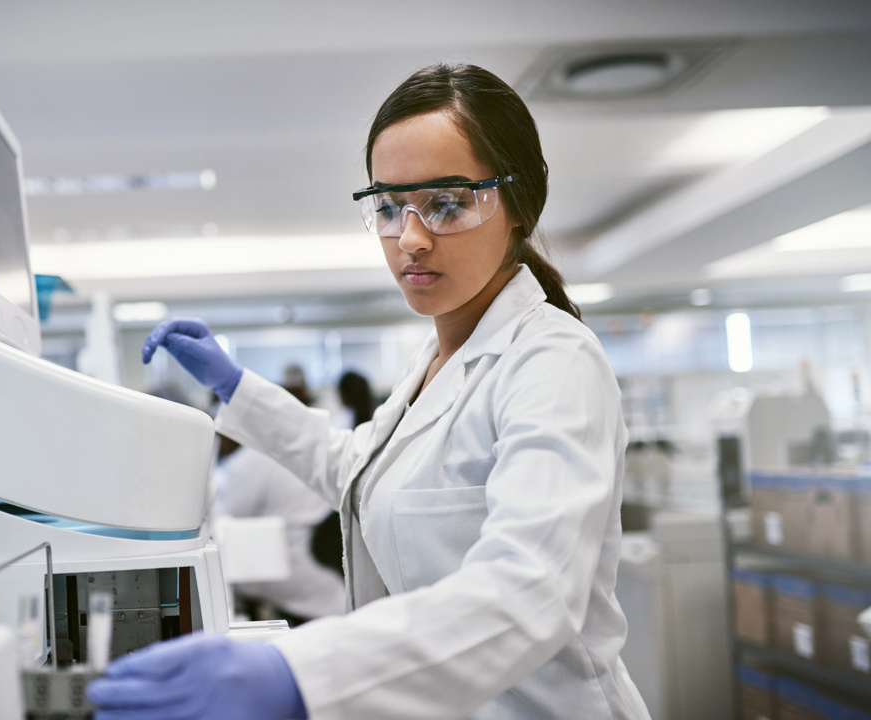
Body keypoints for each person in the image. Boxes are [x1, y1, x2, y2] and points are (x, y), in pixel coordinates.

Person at [88, 63, 650, 720]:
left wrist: (298, 673)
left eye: (446, 203)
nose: (410, 239)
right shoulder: (435, 362)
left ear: (518, 203)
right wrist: (236, 388)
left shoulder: (553, 363)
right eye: (388, 207)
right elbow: (354, 472)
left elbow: (531, 592)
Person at [213, 366, 346, 626]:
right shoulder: (269, 454)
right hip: (324, 577)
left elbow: (228, 518)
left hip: (296, 575)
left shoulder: (247, 463)